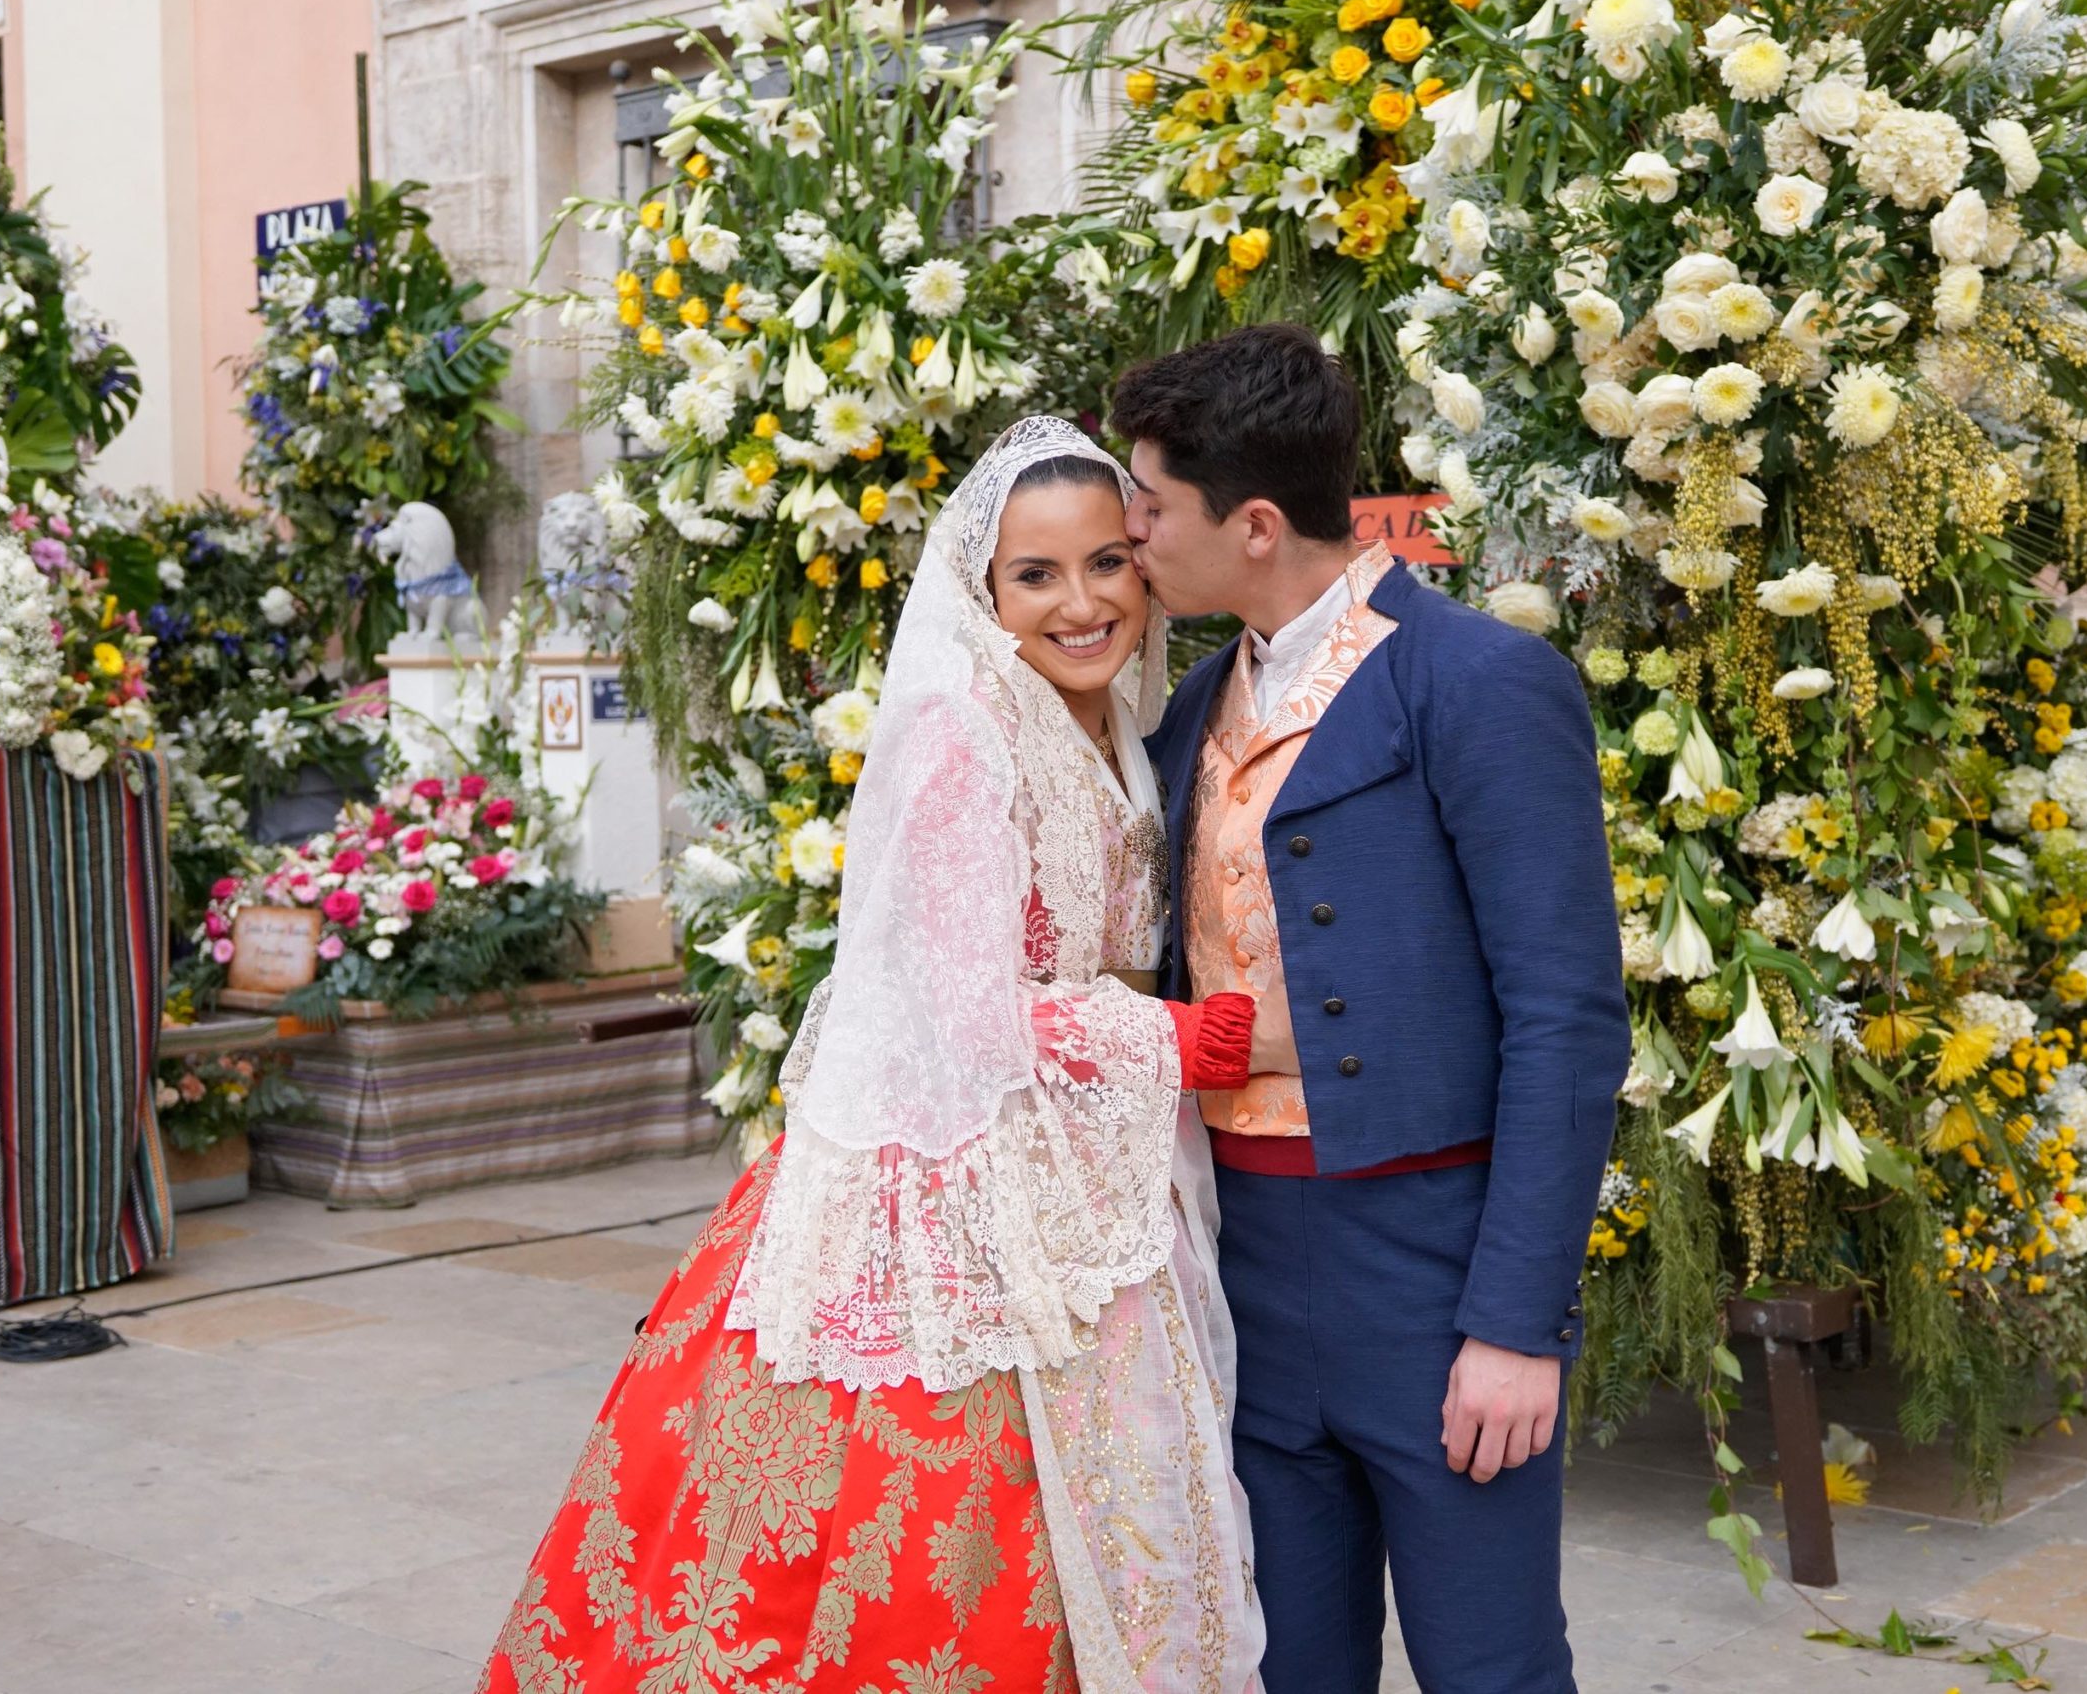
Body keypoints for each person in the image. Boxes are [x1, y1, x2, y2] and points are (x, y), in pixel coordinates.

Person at [475, 417, 1272, 1694]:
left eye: (1109, 562)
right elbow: (956, 1008)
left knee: (1130, 1506)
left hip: (1086, 1154)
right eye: (1036, 575)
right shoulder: (961, 729)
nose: (1082, 602)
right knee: (928, 1530)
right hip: (959, 1174)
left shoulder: (1114, 714)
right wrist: (1177, 1035)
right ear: (980, 589)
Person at [1117, 325, 1629, 1694]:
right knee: (1286, 1666)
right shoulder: (1183, 712)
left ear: (1260, 523)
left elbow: (1567, 1018)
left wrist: (1517, 1326)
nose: (1131, 533)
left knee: (1491, 1666)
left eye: (1151, 503)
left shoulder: (1479, 680)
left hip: (1431, 1259)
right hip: (1240, 1255)